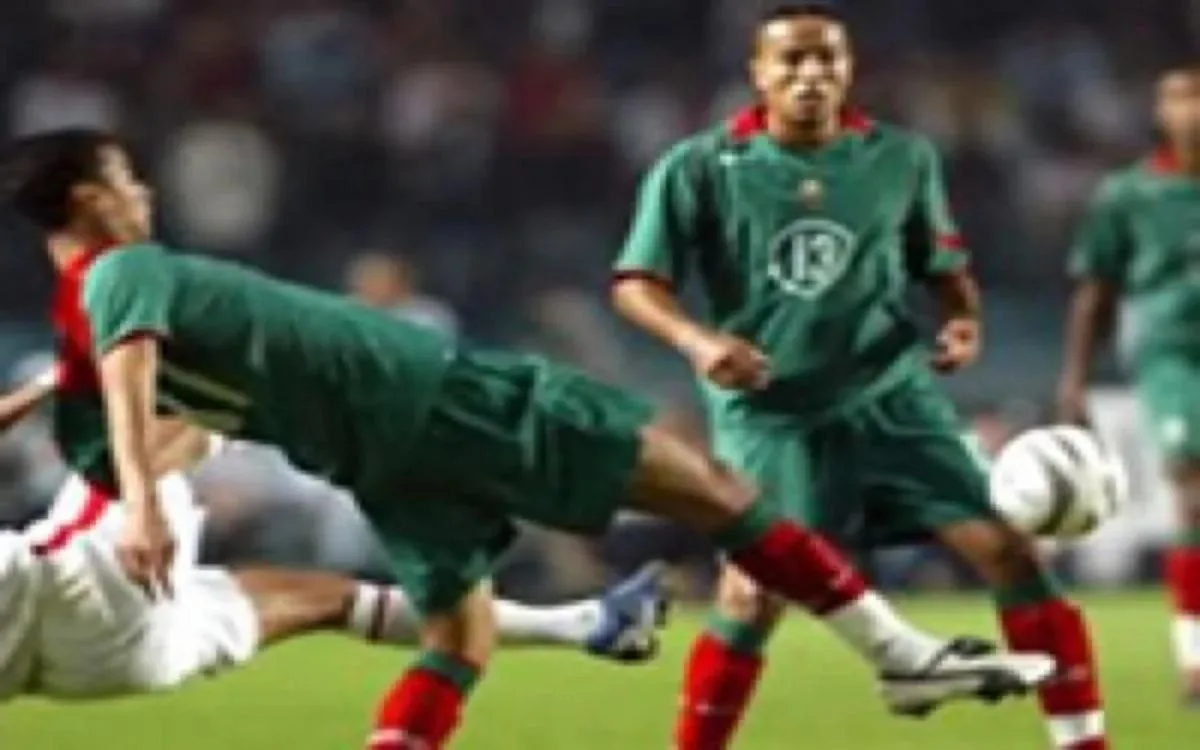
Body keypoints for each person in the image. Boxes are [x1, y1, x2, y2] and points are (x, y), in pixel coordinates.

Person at [0, 127, 1052, 750]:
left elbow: (134, 387)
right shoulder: (120, 272)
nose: (144, 191)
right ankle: (900, 655)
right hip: (445, 403)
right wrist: (142, 502)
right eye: (127, 177)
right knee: (718, 493)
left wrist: (54, 396)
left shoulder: (82, 326)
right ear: (91, 197)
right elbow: (132, 360)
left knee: (458, 642)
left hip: (383, 464)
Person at [611, 5, 1106, 750]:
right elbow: (635, 284)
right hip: (773, 414)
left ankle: (1084, 744)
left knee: (1013, 552)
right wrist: (697, 341)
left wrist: (962, 320)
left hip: (892, 400)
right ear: (758, 74)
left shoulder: (900, 157)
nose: (811, 74)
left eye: (828, 59)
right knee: (752, 597)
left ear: (849, 69)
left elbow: (944, 268)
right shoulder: (699, 167)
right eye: (793, 60)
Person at [0, 373, 671, 703]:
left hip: (100, 667)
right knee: (164, 423)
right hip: (77, 594)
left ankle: (592, 624)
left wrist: (37, 390)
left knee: (323, 599)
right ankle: (341, 414)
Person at [1059, 62, 1200, 708]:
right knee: (1192, 490)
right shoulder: (1127, 195)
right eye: (1178, 97)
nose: (1191, 109)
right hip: (1173, 355)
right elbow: (1095, 292)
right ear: (1159, 112)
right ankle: (1194, 657)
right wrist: (1075, 381)